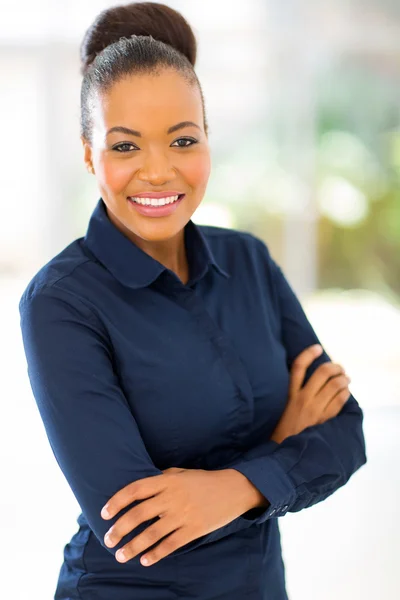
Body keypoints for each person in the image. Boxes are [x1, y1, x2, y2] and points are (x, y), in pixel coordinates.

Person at [18, 3, 367, 599]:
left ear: (207, 139)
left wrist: (226, 489)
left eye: (182, 140)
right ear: (88, 154)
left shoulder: (249, 261)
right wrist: (282, 451)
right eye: (125, 147)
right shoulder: (62, 302)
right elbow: (134, 524)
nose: (158, 172)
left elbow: (346, 435)